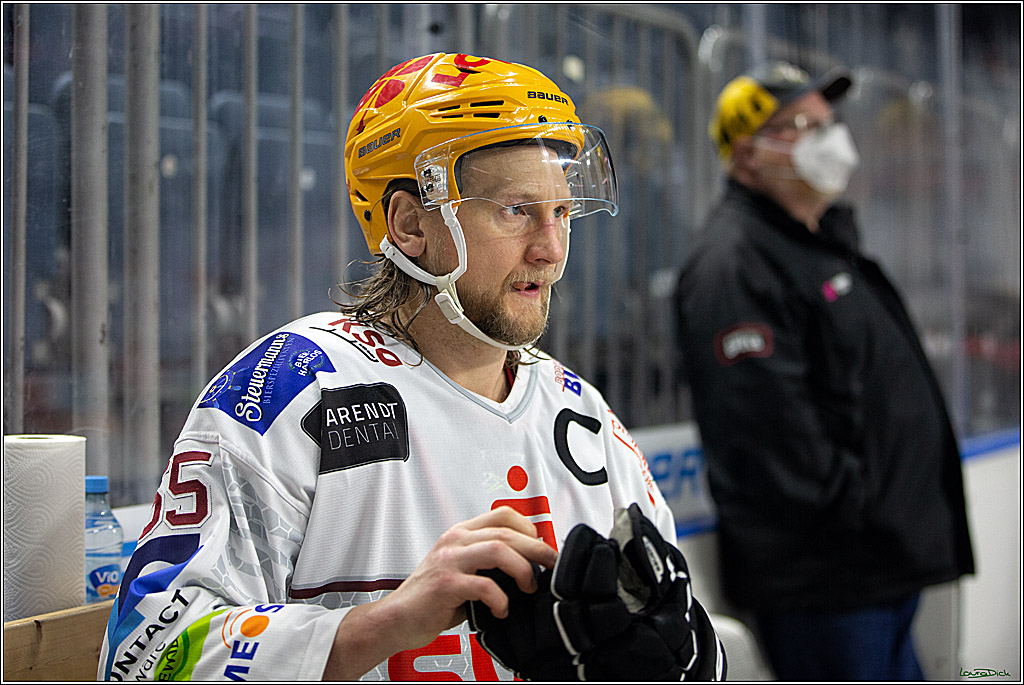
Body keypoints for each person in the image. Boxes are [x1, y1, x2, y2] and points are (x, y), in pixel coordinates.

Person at [99, 52, 725, 682]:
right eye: (515, 210)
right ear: (408, 224)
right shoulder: (290, 388)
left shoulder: (583, 417)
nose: (551, 250)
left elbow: (680, 632)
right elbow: (142, 653)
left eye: (561, 212)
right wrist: (388, 621)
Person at [674, 60, 975, 681]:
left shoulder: (822, 240)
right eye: (800, 125)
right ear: (748, 156)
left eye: (827, 121)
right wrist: (861, 511)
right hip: (829, 577)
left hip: (879, 563)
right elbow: (770, 435)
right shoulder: (734, 263)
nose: (827, 137)